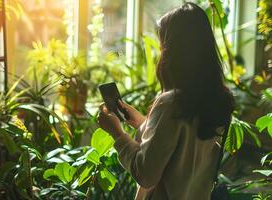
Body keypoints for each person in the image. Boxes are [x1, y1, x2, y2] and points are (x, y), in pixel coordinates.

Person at [97, 2, 235, 200]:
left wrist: (117, 134)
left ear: (174, 51)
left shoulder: (171, 103)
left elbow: (146, 175)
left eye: (163, 45)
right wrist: (144, 124)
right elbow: (185, 150)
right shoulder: (220, 100)